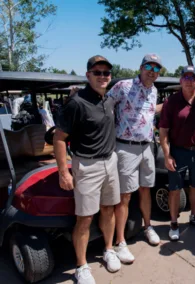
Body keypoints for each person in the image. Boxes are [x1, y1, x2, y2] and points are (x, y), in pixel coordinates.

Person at [54, 55, 121, 284]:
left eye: (106, 73)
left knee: (109, 209)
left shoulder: (110, 100)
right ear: (88, 75)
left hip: (110, 162)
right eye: (97, 72)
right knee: (84, 218)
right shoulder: (76, 102)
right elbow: (59, 138)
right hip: (87, 165)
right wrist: (64, 171)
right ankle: (81, 266)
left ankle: (109, 249)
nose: (103, 76)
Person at [107, 54, 163, 261]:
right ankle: (120, 242)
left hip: (146, 147)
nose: (152, 71)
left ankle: (148, 226)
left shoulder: (154, 91)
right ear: (140, 67)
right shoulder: (123, 86)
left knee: (146, 189)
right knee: (124, 196)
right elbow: (105, 107)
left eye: (156, 68)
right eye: (149, 66)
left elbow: (147, 113)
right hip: (125, 147)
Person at [159, 66, 195, 240]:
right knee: (175, 189)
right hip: (178, 151)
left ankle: (193, 216)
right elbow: (163, 130)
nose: (189, 81)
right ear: (180, 80)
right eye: (186, 77)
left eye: (192, 78)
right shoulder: (171, 102)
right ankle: (174, 222)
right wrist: (167, 154)